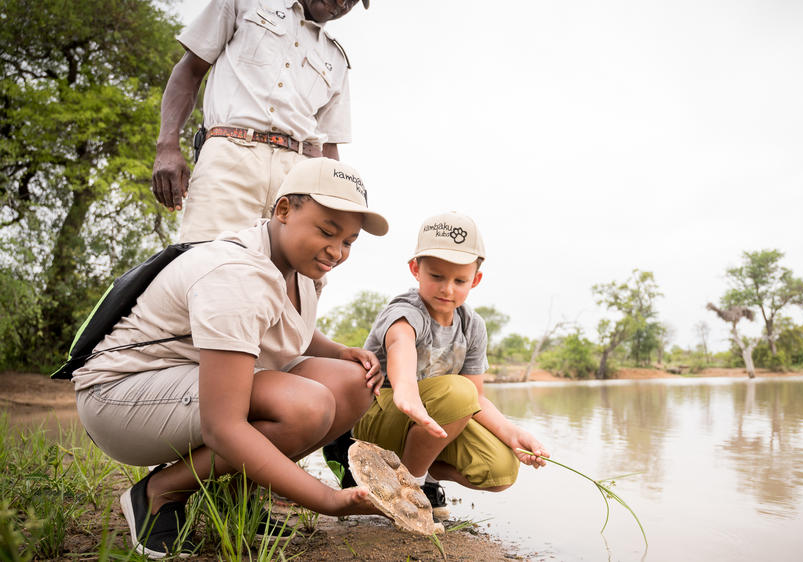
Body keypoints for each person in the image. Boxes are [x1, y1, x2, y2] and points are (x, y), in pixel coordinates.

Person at [72, 158, 388, 558]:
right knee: (307, 405)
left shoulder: (300, 267)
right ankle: (158, 494)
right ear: (284, 210)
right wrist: (326, 499)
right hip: (118, 399)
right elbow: (223, 426)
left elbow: (283, 322)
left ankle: (237, 499)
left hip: (180, 384)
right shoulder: (237, 274)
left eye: (348, 242)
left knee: (352, 382)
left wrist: (340, 352)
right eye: (327, 231)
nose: (336, 251)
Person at [329, 211, 549, 520]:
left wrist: (512, 433)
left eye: (459, 280)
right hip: (378, 414)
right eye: (436, 277)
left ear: (476, 280)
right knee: (457, 392)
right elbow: (400, 343)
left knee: (500, 468)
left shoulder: (472, 326)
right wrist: (405, 389)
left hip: (429, 422)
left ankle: (413, 474)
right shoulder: (407, 310)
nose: (447, 289)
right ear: (415, 270)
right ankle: (410, 488)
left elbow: (476, 397)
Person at [152, 0, 370, 243]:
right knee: (207, 264)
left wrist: (333, 218)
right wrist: (167, 146)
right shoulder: (246, 3)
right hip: (229, 159)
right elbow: (190, 70)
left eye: (353, 0)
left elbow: (329, 147)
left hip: (297, 181)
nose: (343, 3)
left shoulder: (337, 60)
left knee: (288, 279)